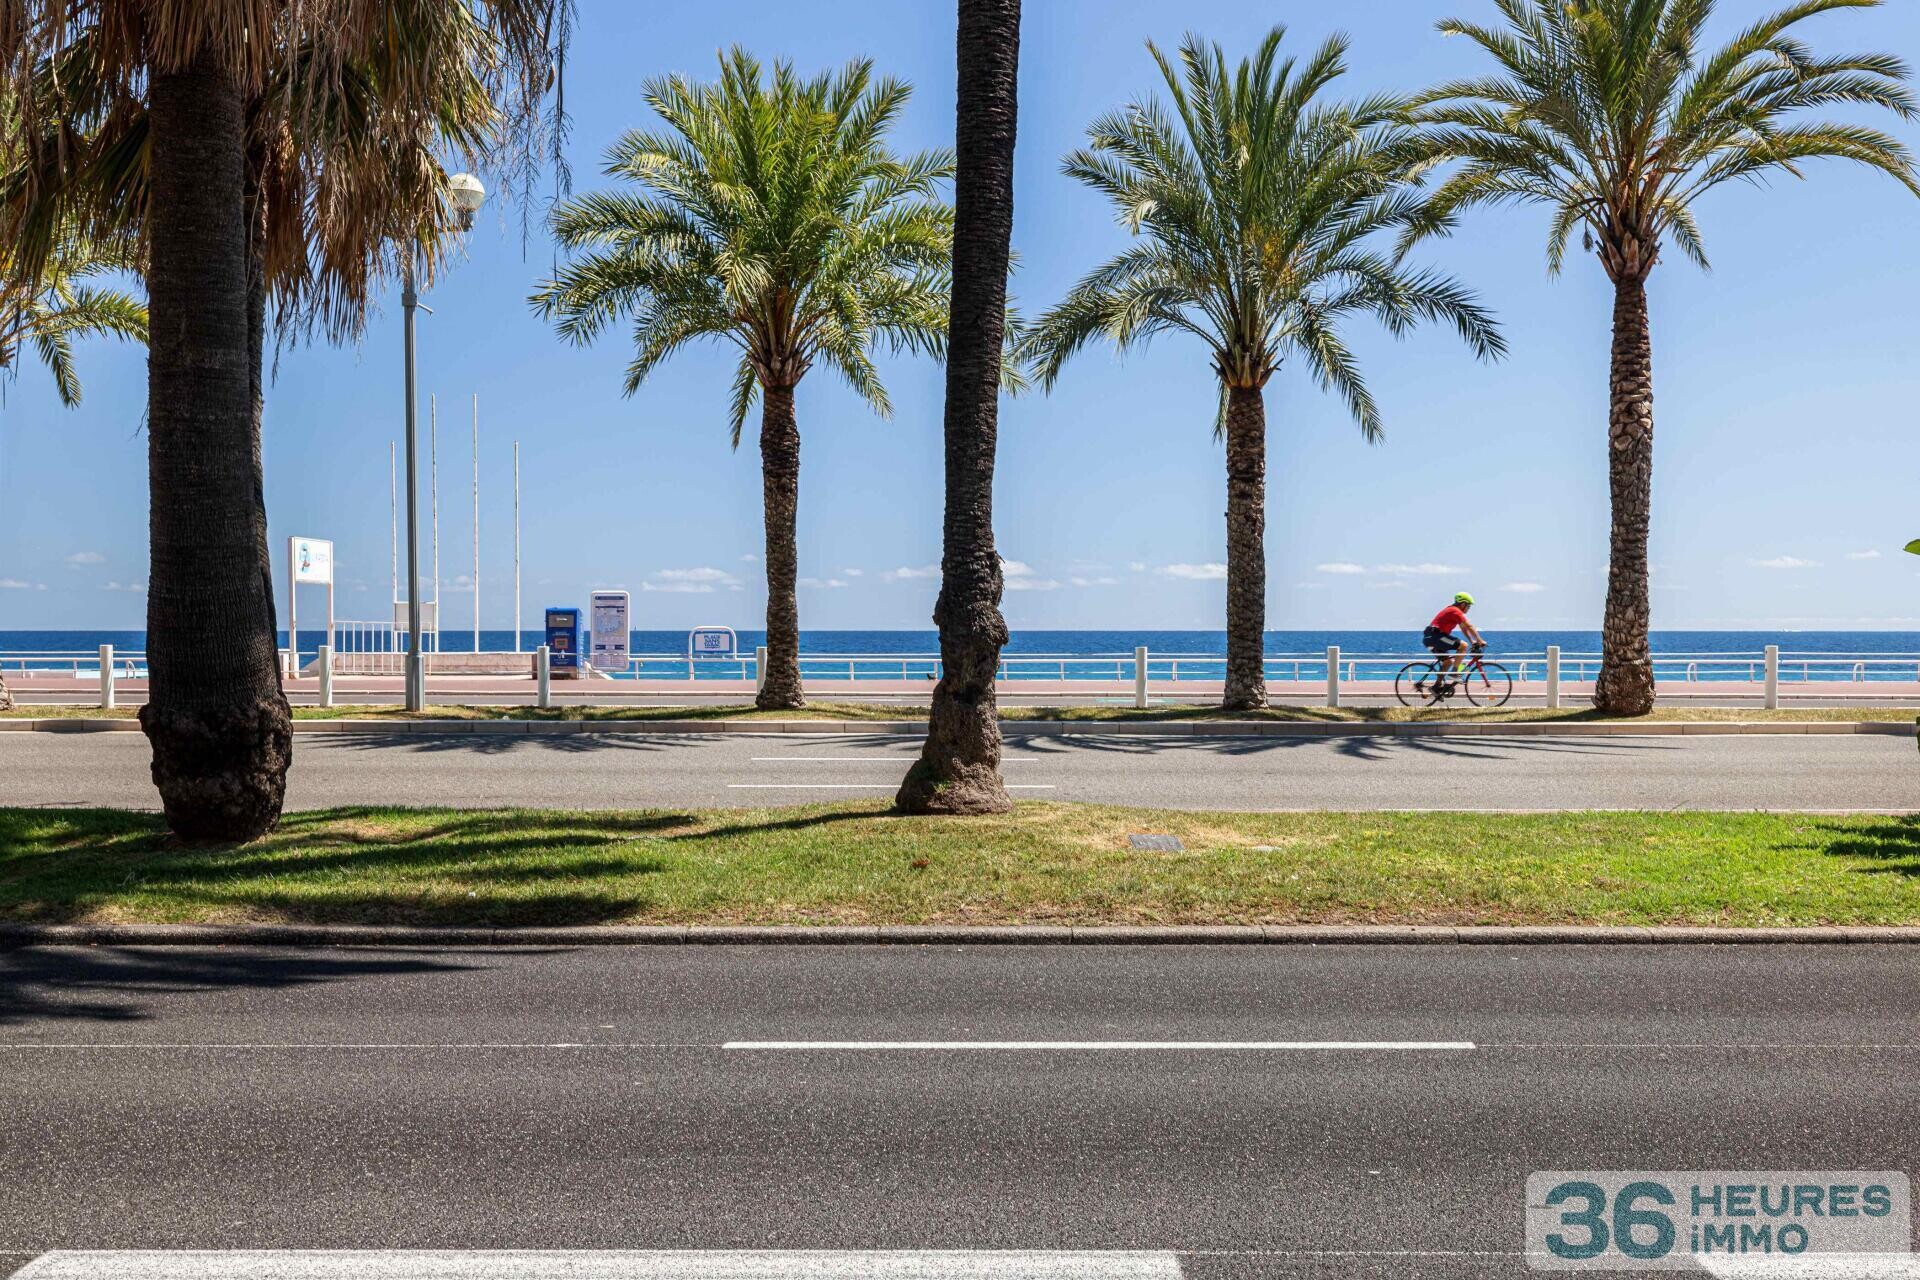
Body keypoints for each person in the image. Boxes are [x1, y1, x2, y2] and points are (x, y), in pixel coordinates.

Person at [1422, 592, 1485, 692]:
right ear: (1463, 604)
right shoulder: (1455, 611)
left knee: (1447, 662)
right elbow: (1469, 626)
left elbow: (1464, 628)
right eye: (1468, 606)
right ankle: (1454, 673)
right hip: (1436, 637)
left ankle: (1436, 687)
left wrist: (1473, 641)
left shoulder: (1453, 611)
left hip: (1430, 638)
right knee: (1463, 646)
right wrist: (1479, 640)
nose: (1469, 609)